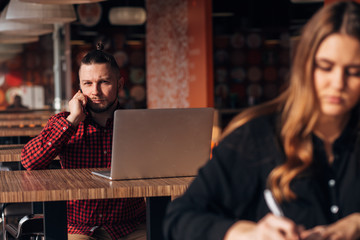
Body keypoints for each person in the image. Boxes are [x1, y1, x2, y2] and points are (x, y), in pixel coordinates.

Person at [164, 1, 360, 240]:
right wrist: (248, 233)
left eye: (354, 71)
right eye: (325, 67)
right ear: (305, 65)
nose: (338, 83)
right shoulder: (257, 136)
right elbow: (179, 218)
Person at [21, 43, 146, 240]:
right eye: (87, 83)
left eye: (104, 82)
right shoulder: (64, 121)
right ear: (79, 87)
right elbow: (29, 161)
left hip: (129, 226)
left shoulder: (140, 125)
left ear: (120, 85)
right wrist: (72, 120)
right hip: (78, 227)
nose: (95, 91)